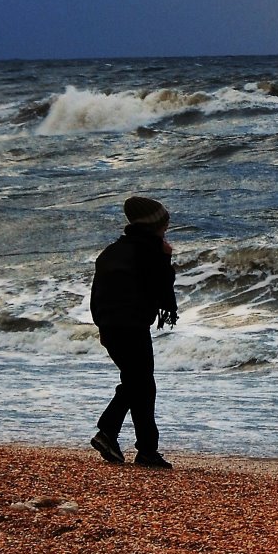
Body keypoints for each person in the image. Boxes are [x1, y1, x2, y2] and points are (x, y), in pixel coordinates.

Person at [89, 195, 179, 469]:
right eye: (164, 224)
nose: (166, 229)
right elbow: (160, 288)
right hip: (132, 325)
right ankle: (110, 432)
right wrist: (166, 259)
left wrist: (103, 324)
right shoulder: (150, 251)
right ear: (154, 225)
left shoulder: (113, 251)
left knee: (138, 383)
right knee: (139, 384)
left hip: (110, 326)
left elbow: (100, 293)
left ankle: (144, 449)